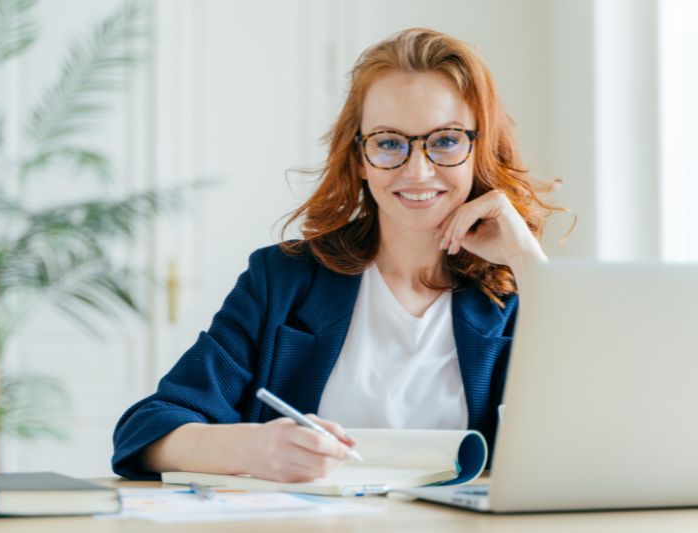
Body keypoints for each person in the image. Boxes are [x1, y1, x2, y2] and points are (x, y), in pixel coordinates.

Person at [112, 27, 565, 483]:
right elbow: (146, 432)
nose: (418, 170)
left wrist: (527, 260)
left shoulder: (516, 293)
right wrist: (252, 448)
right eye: (389, 142)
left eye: (446, 140)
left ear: (478, 149)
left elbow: (590, 438)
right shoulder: (282, 280)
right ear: (360, 159)